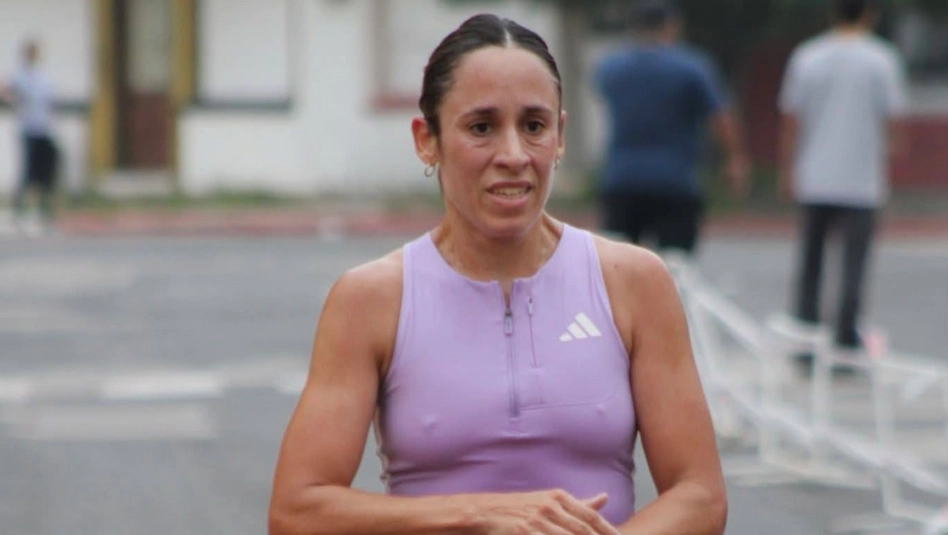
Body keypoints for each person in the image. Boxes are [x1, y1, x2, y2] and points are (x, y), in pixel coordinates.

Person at [269, 13, 726, 535]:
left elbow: (700, 496)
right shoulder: (372, 299)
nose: (513, 155)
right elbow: (297, 511)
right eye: (481, 128)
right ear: (427, 139)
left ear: (560, 136)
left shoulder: (634, 281)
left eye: (534, 126)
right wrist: (480, 513)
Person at [778, 0, 908, 363]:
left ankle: (805, 342)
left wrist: (789, 168)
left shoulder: (807, 56)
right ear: (869, 14)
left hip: (815, 175)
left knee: (811, 264)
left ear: (832, 13)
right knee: (853, 266)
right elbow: (894, 121)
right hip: (861, 180)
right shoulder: (882, 59)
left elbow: (792, 119)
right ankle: (845, 345)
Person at [595, 0, 749, 257]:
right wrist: (734, 159)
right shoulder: (692, 67)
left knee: (617, 265)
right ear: (672, 25)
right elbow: (721, 117)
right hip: (675, 180)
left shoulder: (611, 67)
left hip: (622, 177)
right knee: (676, 264)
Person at [0, 39, 59, 227]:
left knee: (45, 171)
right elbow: (6, 90)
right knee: (27, 171)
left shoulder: (42, 76)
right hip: (27, 128)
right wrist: (13, 100)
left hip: (44, 127)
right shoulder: (20, 75)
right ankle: (19, 210)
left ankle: (44, 210)